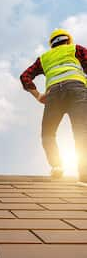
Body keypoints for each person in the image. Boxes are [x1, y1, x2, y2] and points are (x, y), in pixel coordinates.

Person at [20, 29, 87, 182]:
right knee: (82, 132)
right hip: (77, 91)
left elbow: (25, 76)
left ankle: (57, 166)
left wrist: (38, 95)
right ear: (68, 40)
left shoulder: (44, 58)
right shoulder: (76, 49)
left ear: (52, 44)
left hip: (53, 94)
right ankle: (84, 176)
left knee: (48, 133)